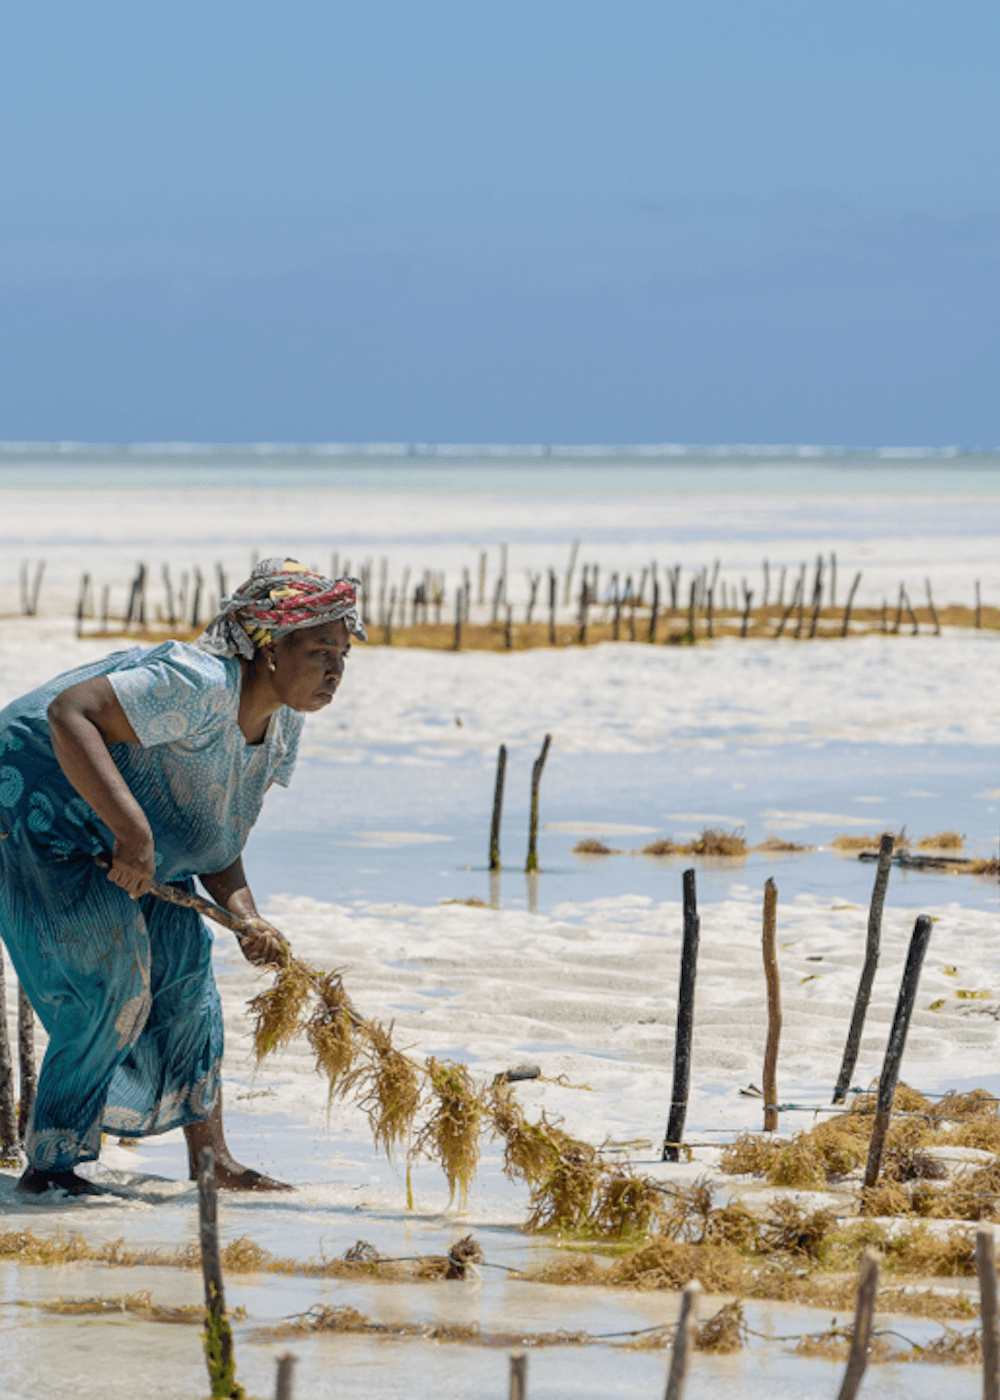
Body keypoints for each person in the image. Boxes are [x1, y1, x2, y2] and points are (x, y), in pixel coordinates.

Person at [0, 558, 364, 1197]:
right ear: (269, 650)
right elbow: (68, 714)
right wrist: (133, 834)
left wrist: (246, 914)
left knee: (189, 976)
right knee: (110, 975)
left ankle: (213, 1163)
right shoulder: (197, 683)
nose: (335, 668)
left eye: (343, 652)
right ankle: (50, 1168)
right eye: (319, 650)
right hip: (36, 805)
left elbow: (214, 833)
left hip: (122, 831)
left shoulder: (282, 726)